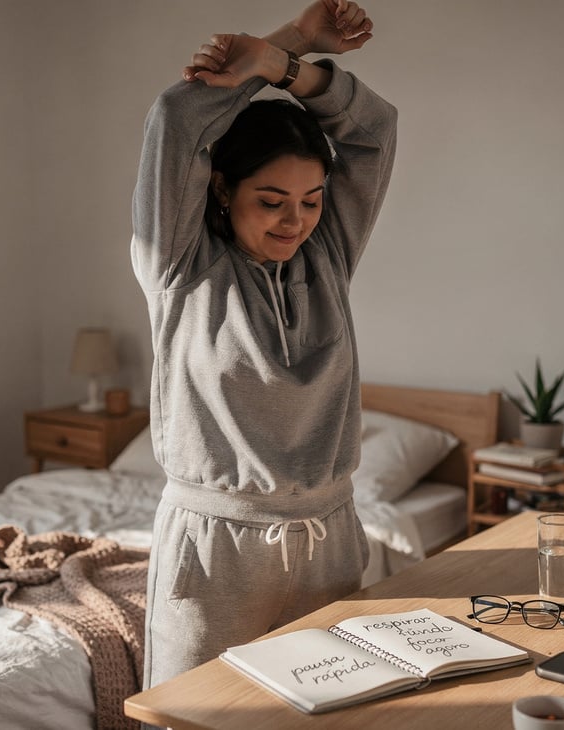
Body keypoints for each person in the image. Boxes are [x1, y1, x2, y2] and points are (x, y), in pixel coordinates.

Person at [131, 0, 396, 688]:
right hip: (215, 552)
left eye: (311, 200)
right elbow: (177, 118)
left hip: (329, 539)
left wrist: (289, 69)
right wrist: (291, 37)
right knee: (196, 716)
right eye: (271, 199)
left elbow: (375, 130)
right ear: (222, 187)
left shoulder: (327, 258)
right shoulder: (180, 267)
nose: (295, 220)